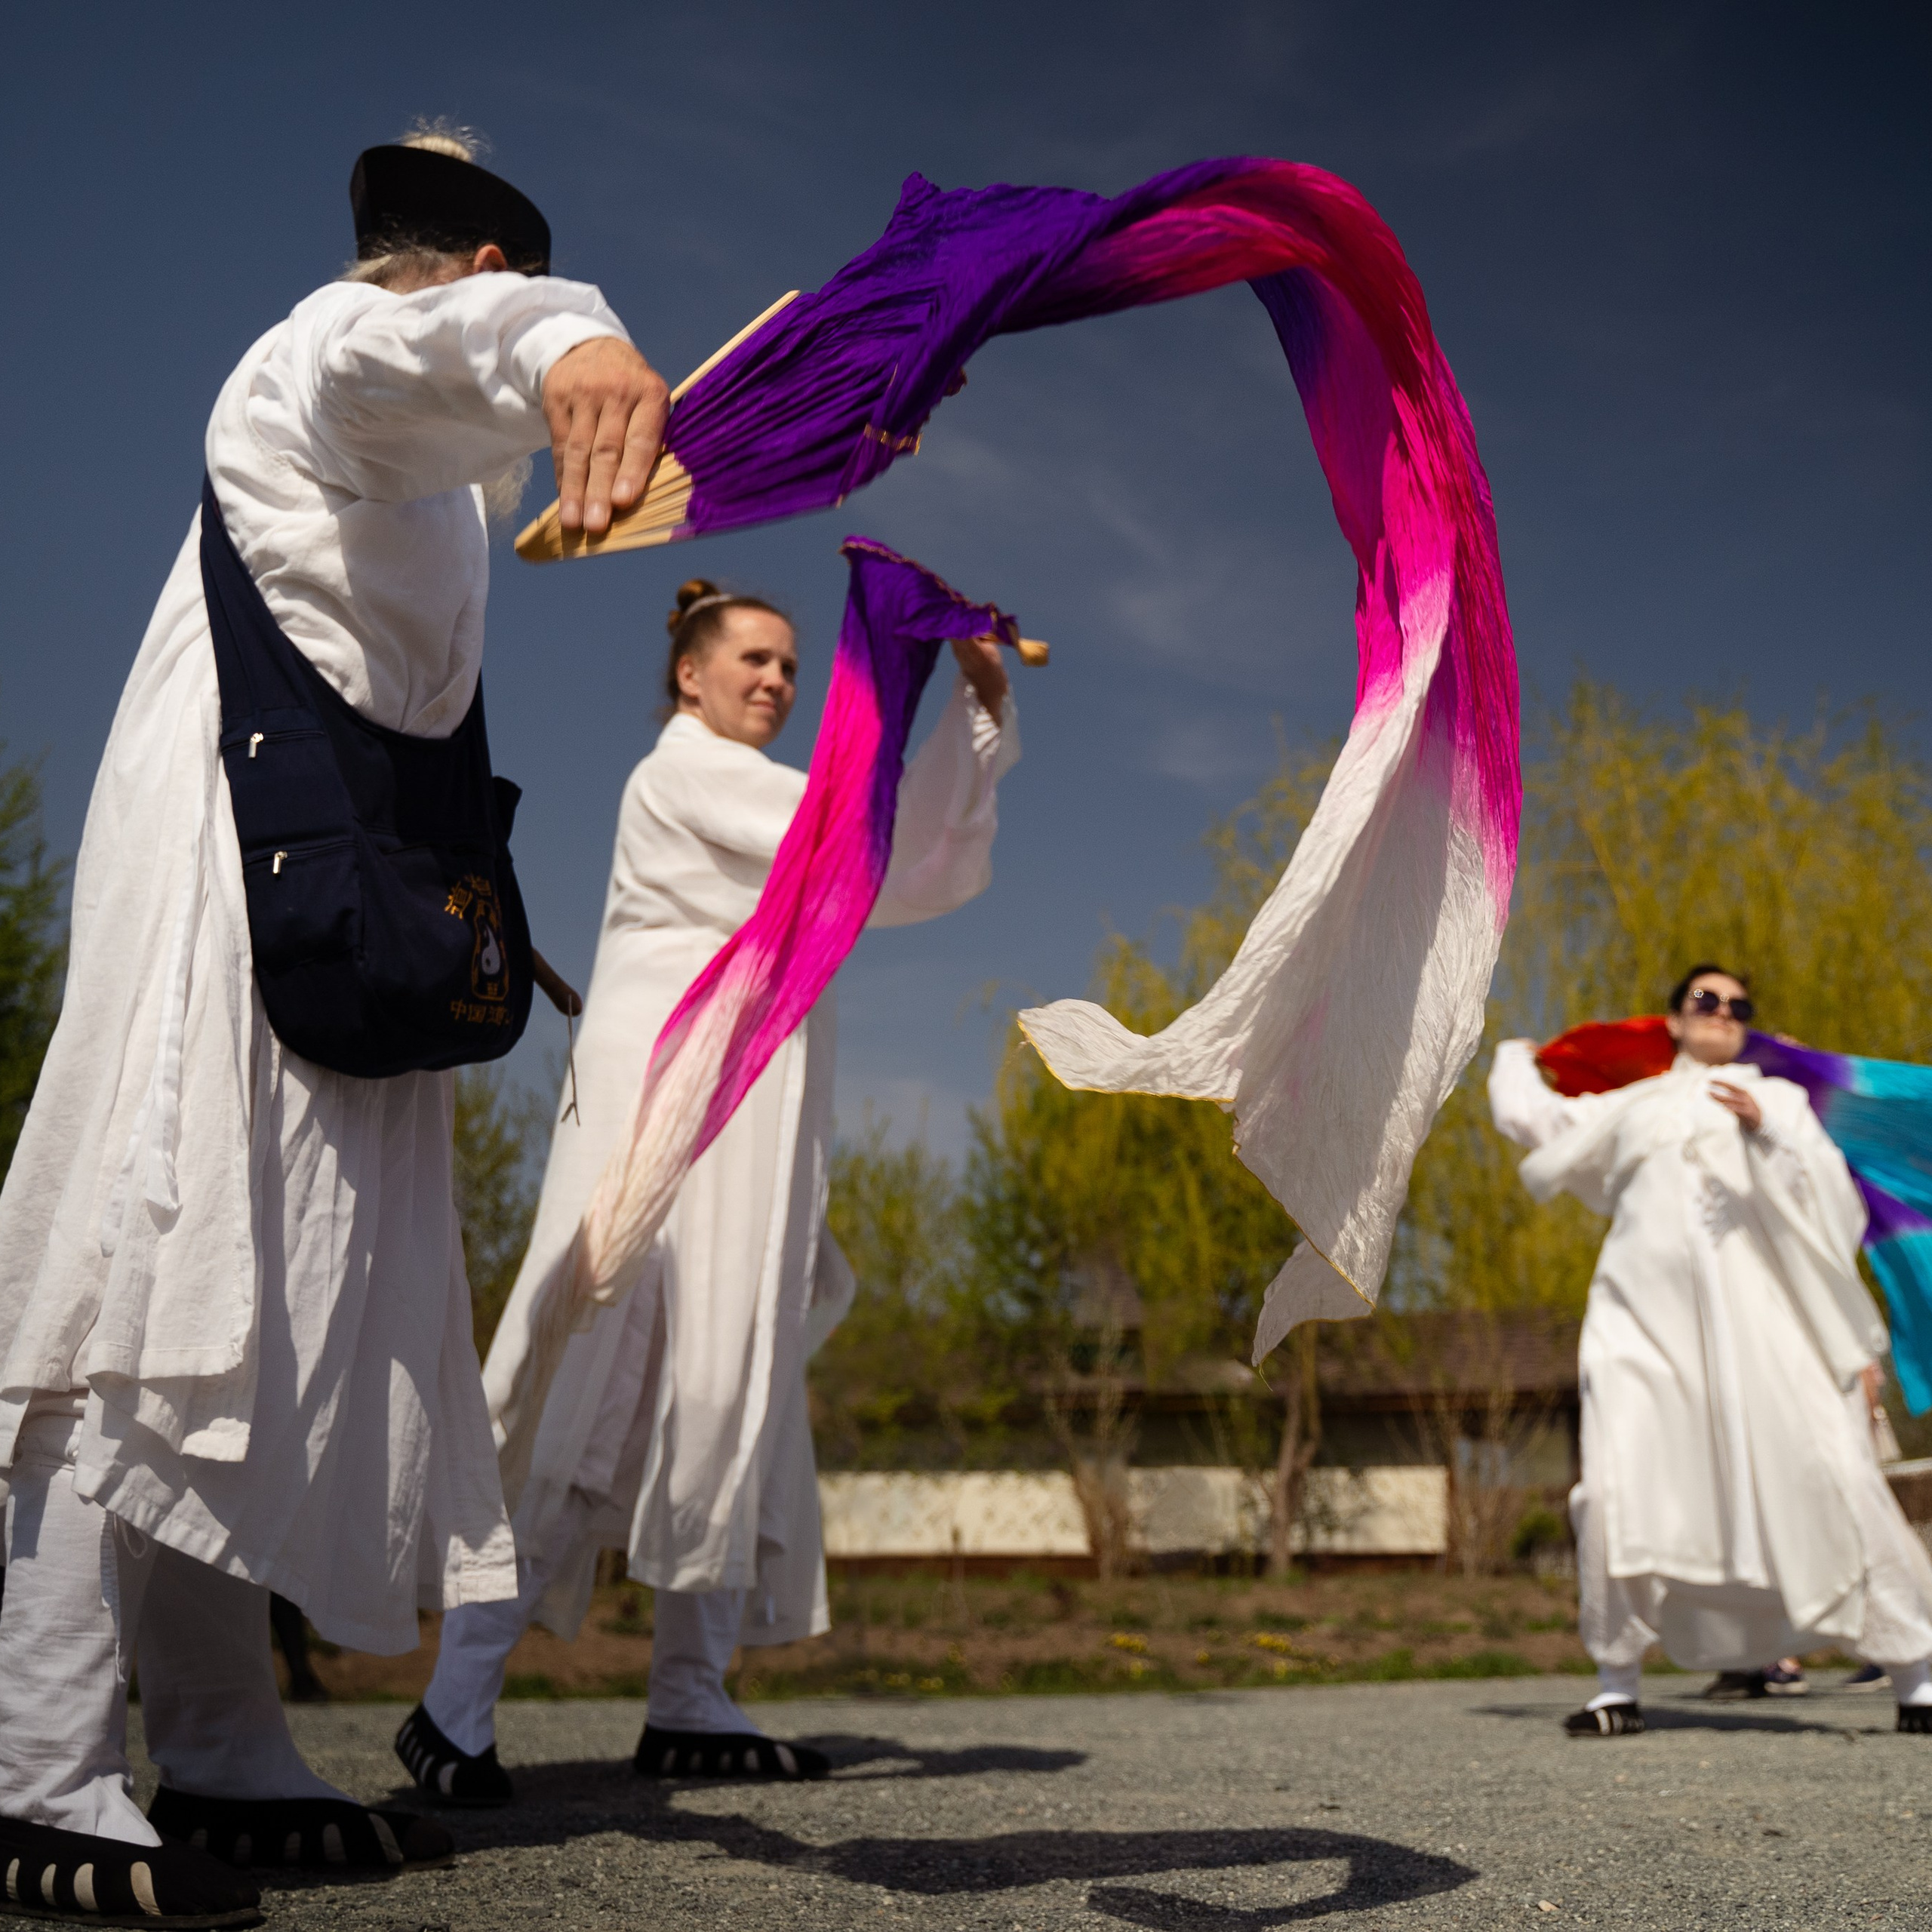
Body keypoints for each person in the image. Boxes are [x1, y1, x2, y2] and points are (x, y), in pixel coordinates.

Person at [0, 126, 667, 1923]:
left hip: (341, 912)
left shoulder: (443, 491)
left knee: (260, 1306)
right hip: (228, 888)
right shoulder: (323, 349)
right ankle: (38, 1761)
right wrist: (571, 335)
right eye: (508, 295)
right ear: (464, 274)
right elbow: (418, 362)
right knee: (137, 1267)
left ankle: (217, 1738)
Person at [396, 577, 1018, 1803]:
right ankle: (453, 1703)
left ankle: (691, 1694)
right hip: (664, 1094)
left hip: (750, 1105)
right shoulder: (683, 774)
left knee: (732, 1372)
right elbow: (859, 841)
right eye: (757, 659)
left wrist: (974, 704)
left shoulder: (756, 788)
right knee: (605, 1364)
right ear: (689, 673)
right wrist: (949, 699)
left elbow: (891, 861)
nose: (781, 681)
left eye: (795, 666)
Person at [1490, 965, 1932, 1738]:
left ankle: (1917, 1674)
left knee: (1832, 1469)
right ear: (1673, 1021)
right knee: (1619, 1483)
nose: (1722, 1013)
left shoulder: (1784, 1101)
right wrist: (1512, 1055)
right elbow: (1536, 1121)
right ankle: (1614, 1682)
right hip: (1642, 1329)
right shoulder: (1633, 1104)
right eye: (1706, 1000)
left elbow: (1831, 1203)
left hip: (1766, 1328)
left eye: (1738, 1006)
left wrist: (1766, 1131)